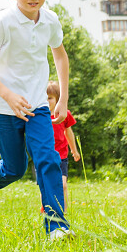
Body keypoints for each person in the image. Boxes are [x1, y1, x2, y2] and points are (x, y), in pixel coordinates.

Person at [0, 0, 73, 240]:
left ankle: (57, 226)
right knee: (14, 168)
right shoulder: (2, 21)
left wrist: (62, 97)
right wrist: (9, 95)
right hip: (2, 105)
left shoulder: (50, 21)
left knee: (47, 158)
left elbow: (60, 56)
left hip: (38, 104)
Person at [46, 81, 80, 213]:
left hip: (61, 155)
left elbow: (69, 133)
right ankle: (46, 209)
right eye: (44, 98)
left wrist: (74, 150)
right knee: (46, 184)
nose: (47, 101)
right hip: (46, 155)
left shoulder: (64, 114)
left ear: (57, 99)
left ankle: (64, 211)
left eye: (50, 98)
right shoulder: (40, 116)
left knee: (63, 184)